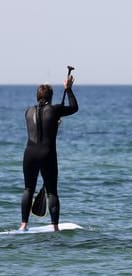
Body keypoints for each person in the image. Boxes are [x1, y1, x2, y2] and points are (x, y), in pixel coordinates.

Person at [19, 76, 79, 231]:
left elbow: (41, 124)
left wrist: (54, 121)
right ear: (50, 97)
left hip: (30, 153)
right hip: (47, 154)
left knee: (28, 189)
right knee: (52, 191)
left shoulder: (28, 111)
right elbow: (74, 107)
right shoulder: (54, 109)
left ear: (37, 96)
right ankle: (55, 227)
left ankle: (23, 225)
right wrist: (68, 89)